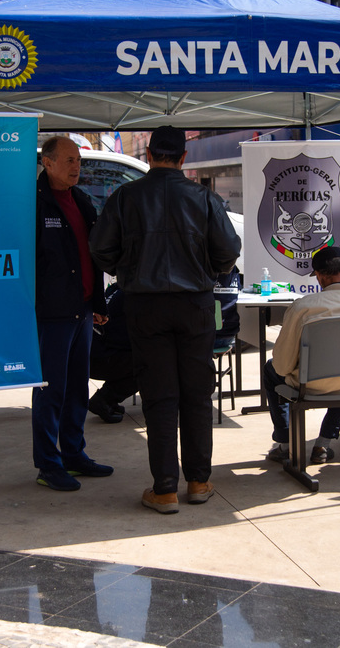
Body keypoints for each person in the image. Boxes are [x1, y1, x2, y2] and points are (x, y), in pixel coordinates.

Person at [90, 125, 241, 515]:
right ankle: (199, 481)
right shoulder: (203, 197)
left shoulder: (126, 196)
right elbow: (229, 250)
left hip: (145, 305)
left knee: (159, 396)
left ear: (149, 155)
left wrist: (127, 269)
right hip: (195, 304)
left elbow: (100, 249)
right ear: (183, 157)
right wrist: (207, 269)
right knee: (196, 394)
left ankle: (165, 489)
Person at [32, 135, 113, 492]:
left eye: (78, 160)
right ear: (48, 163)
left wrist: (98, 304)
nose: (76, 166)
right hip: (52, 314)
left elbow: (92, 258)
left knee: (78, 387)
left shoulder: (81, 200)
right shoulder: (34, 204)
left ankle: (74, 454)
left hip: (82, 310)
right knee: (51, 391)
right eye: (68, 160)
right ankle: (48, 465)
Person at [262, 247, 340, 465]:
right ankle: (323, 443)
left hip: (310, 385)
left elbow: (283, 364)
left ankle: (285, 443)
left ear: (319, 276)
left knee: (270, 368)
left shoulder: (303, 307)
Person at [88, 283, 135, 424]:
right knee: (150, 363)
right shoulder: (134, 294)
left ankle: (109, 399)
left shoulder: (117, 288)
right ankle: (105, 399)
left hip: (92, 353)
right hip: (102, 357)